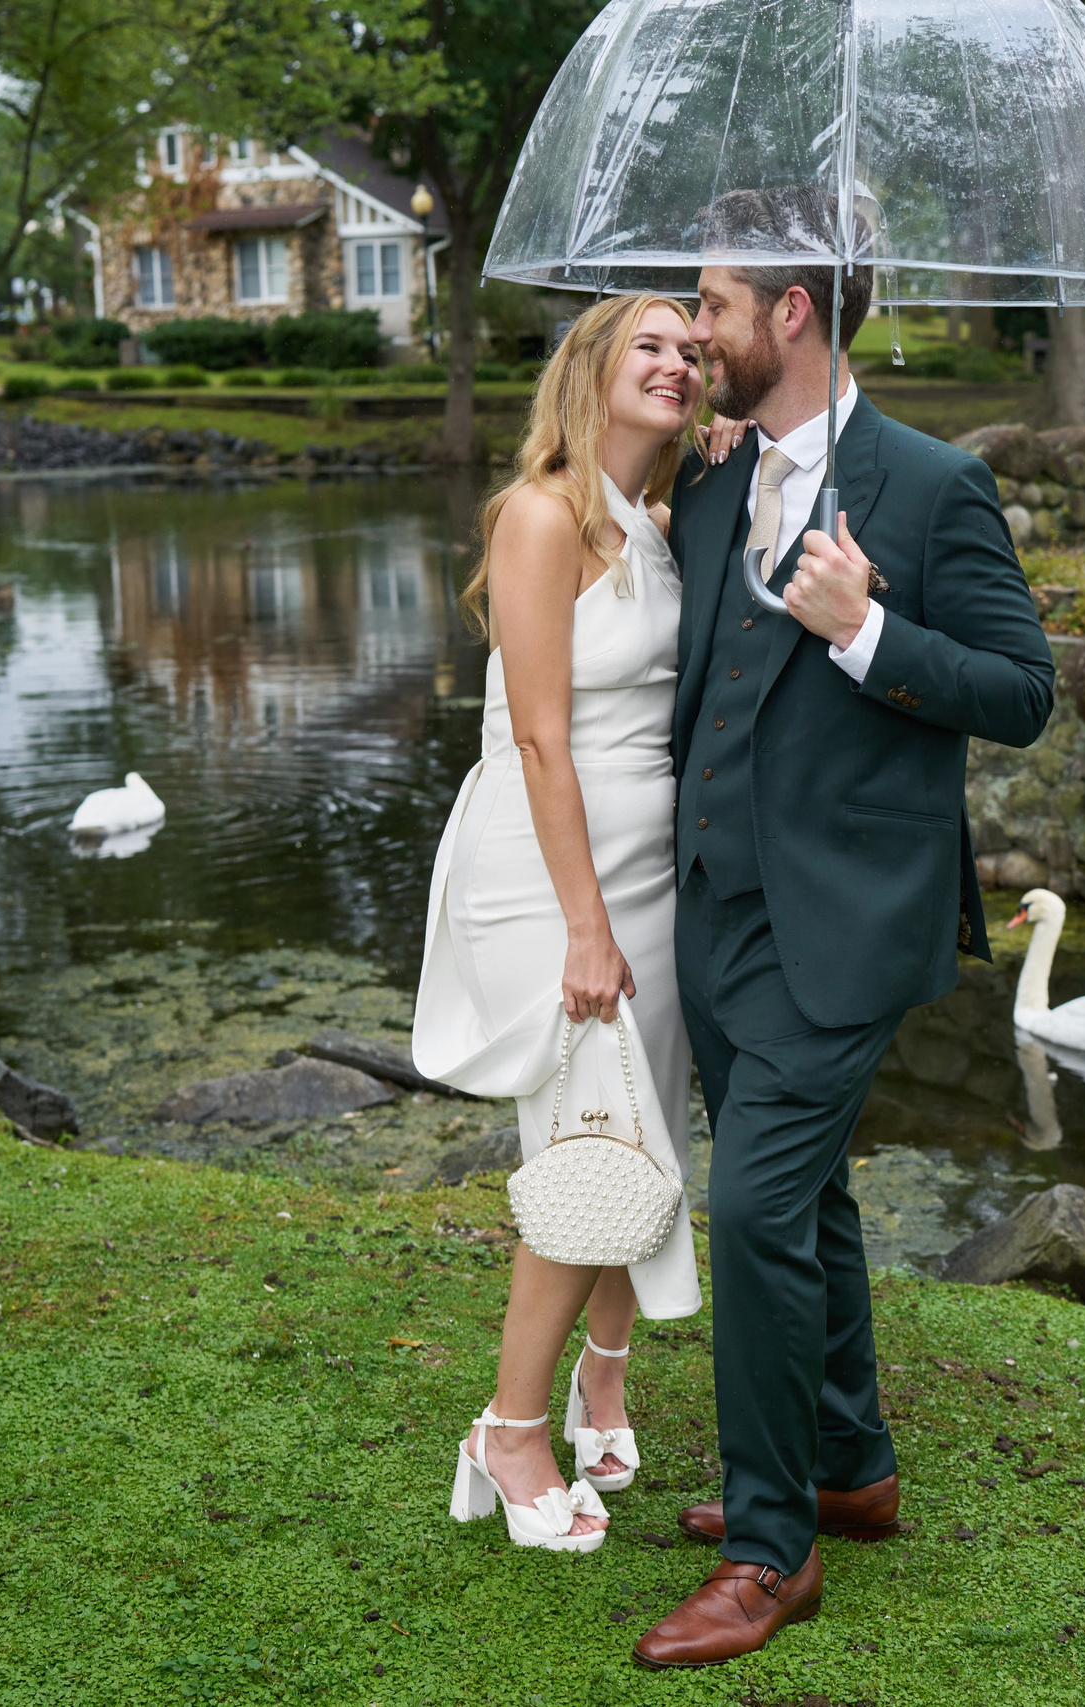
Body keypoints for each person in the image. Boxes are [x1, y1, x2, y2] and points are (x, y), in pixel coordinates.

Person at [632, 191, 1056, 1667]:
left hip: (846, 926)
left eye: (715, 304)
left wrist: (867, 629)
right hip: (716, 920)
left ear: (791, 315)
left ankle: (773, 1550)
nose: (696, 327)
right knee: (804, 1204)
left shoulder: (934, 486)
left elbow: (1021, 689)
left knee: (750, 1209)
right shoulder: (712, 477)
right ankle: (852, 1466)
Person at [411, 293, 708, 1554]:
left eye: (695, 349)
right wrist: (586, 927)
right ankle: (508, 1430)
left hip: (652, 866)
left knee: (641, 1131)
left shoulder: (655, 521)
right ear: (589, 367)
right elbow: (538, 738)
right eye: (650, 343)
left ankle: (604, 1375)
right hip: (552, 871)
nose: (680, 361)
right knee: (588, 1149)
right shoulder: (541, 517)